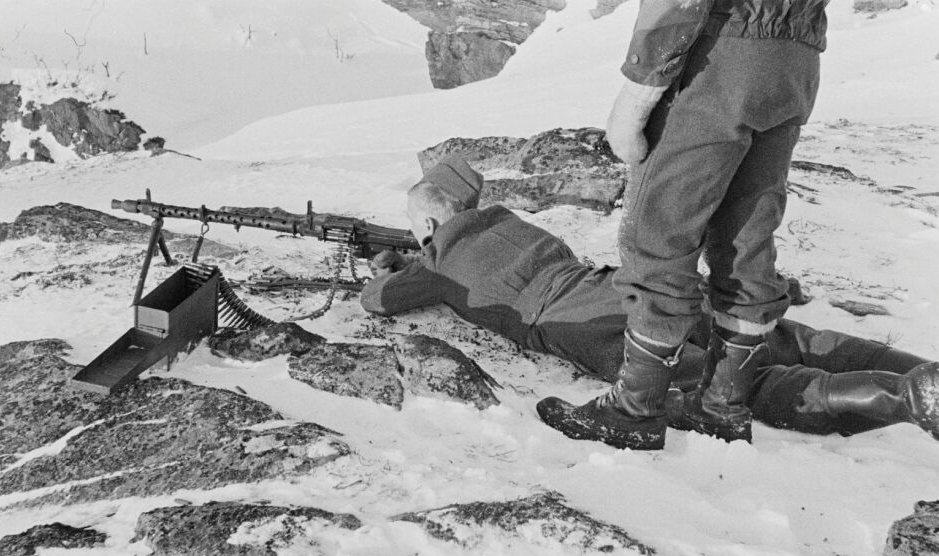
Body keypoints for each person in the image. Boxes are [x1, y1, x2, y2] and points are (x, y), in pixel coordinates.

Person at [361, 159, 939, 449]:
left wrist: (389, 269)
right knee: (782, 337)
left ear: (432, 224)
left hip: (586, 327)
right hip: (629, 287)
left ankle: (906, 399)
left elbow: (376, 301)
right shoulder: (509, 219)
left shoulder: (435, 261)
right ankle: (921, 374)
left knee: (737, 384)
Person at [539, 0, 830, 447]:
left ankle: (633, 411)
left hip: (719, 61)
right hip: (796, 61)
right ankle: (721, 407)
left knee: (659, 235)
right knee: (746, 237)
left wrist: (639, 89)